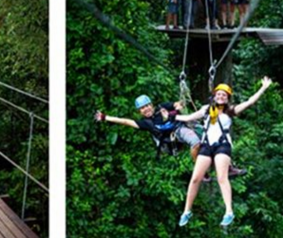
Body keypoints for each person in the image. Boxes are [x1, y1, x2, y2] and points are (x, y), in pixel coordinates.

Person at [177, 77, 273, 227]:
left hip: (222, 145)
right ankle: (187, 211)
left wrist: (263, 88)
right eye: (219, 94)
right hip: (207, 145)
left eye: (224, 95)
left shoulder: (230, 111)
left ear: (227, 98)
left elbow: (250, 102)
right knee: (195, 178)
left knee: (222, 177)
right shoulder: (206, 110)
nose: (221, 97)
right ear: (214, 96)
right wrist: (170, 117)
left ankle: (229, 211)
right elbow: (188, 117)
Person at [95, 95, 201, 161]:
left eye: (147, 106)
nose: (146, 109)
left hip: (182, 125)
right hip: (174, 136)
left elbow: (175, 104)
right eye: (142, 108)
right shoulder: (146, 123)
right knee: (196, 142)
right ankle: (199, 168)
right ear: (140, 112)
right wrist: (105, 117)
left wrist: (179, 105)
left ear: (151, 104)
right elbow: (125, 121)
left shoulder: (162, 107)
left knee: (204, 130)